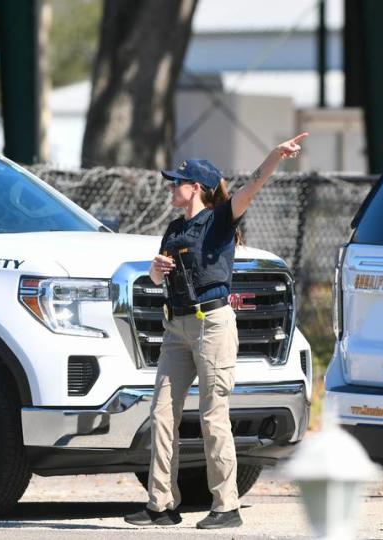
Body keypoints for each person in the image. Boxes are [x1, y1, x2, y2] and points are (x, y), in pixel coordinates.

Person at [124, 133, 308, 529]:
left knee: (213, 416)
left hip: (213, 326)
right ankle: (161, 504)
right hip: (176, 326)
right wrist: (155, 272)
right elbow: (158, 279)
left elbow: (253, 185)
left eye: (178, 182)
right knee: (161, 414)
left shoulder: (221, 219)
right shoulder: (174, 229)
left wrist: (275, 156)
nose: (172, 187)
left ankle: (226, 507)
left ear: (197, 188)